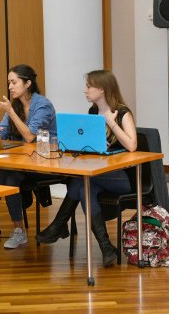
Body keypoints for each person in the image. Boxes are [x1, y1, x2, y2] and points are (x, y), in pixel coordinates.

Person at [36, 69, 137, 267]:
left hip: (123, 178)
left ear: (102, 89)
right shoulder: (92, 112)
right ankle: (106, 248)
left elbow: (132, 145)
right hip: (98, 174)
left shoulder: (122, 113)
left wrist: (111, 123)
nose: (85, 90)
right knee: (83, 187)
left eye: (89, 86)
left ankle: (59, 225)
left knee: (81, 182)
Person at [0, 64, 58, 249]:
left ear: (28, 83)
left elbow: (30, 136)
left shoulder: (42, 105)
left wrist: (10, 112)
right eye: (9, 83)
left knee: (7, 173)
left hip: (46, 164)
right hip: (23, 163)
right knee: (8, 175)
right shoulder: (15, 106)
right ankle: (16, 230)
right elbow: (3, 132)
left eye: (14, 82)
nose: (10, 87)